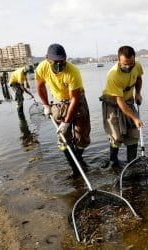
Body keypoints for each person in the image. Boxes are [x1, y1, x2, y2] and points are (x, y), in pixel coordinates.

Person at [35, 43, 91, 178]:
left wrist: (66, 122)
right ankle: (75, 169)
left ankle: (78, 158)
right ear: (47, 58)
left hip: (77, 100)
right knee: (63, 138)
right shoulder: (42, 67)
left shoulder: (73, 71)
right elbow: (41, 87)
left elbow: (75, 100)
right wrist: (46, 105)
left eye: (62, 62)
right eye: (56, 62)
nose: (59, 65)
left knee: (82, 136)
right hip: (58, 102)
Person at [100, 45, 144, 169]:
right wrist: (135, 118)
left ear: (134, 60)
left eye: (131, 64)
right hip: (112, 102)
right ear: (118, 60)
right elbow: (119, 102)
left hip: (128, 100)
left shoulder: (137, 65)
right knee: (116, 136)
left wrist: (138, 93)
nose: (128, 67)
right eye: (125, 64)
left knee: (134, 133)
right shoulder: (113, 75)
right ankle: (113, 162)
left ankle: (132, 163)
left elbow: (139, 78)